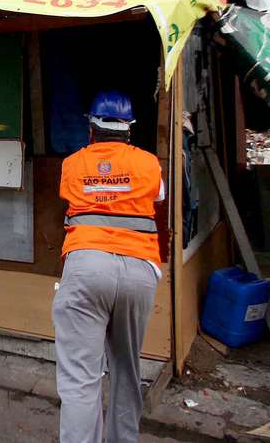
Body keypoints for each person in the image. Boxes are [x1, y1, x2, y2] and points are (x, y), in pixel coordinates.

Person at [53, 91, 164, 443]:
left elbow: (68, 197)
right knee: (126, 369)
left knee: (80, 378)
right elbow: (158, 195)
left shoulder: (72, 164)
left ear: (92, 128)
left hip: (87, 266)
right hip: (139, 269)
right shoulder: (149, 163)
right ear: (128, 130)